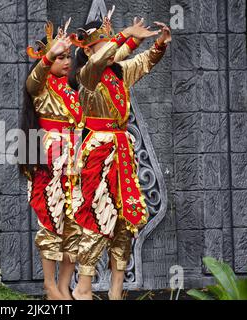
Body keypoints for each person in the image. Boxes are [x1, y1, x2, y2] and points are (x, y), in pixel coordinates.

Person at [68, 8, 172, 300]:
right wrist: (126, 36)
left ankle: (116, 290)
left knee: (125, 222)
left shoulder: (119, 74)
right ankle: (83, 288)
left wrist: (160, 43)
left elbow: (145, 61)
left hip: (122, 153)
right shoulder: (87, 76)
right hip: (98, 152)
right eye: (105, 44)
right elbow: (104, 57)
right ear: (88, 52)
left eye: (112, 42)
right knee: (98, 219)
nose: (112, 48)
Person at [20, 20, 83, 300]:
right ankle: (49, 284)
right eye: (60, 57)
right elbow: (33, 80)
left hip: (76, 161)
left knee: (76, 225)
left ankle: (63, 286)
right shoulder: (41, 86)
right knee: (51, 221)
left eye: (68, 55)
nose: (66, 61)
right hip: (50, 161)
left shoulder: (72, 91)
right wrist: (47, 57)